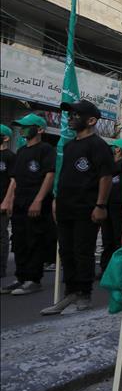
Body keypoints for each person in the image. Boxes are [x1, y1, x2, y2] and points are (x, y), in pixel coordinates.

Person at [42, 100, 114, 315]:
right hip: (65, 208)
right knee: (66, 251)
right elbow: (64, 176)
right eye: (70, 114)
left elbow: (106, 177)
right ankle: (71, 292)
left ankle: (84, 294)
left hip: (86, 209)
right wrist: (56, 200)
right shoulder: (69, 145)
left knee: (83, 252)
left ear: (91, 120)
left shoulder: (98, 145)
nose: (71, 117)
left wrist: (100, 205)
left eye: (76, 114)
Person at [0, 114, 55, 296]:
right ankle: (21, 277)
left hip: (36, 203)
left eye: (27, 126)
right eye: (21, 126)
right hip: (20, 203)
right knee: (19, 240)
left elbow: (49, 175)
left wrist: (38, 200)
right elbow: (14, 179)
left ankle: (33, 279)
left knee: (34, 240)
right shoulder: (22, 151)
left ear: (39, 129)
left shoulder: (45, 150)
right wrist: (8, 199)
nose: (23, 130)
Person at [99, 138, 122, 277]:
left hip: (120, 207)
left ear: (118, 149)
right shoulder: (110, 166)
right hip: (107, 205)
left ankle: (118, 269)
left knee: (118, 238)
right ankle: (105, 269)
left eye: (114, 147)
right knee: (107, 239)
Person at [0, 125, 16, 283]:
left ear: (5, 138)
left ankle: (1, 267)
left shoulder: (10, 156)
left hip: (2, 201)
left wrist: (8, 200)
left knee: (1, 234)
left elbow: (14, 180)